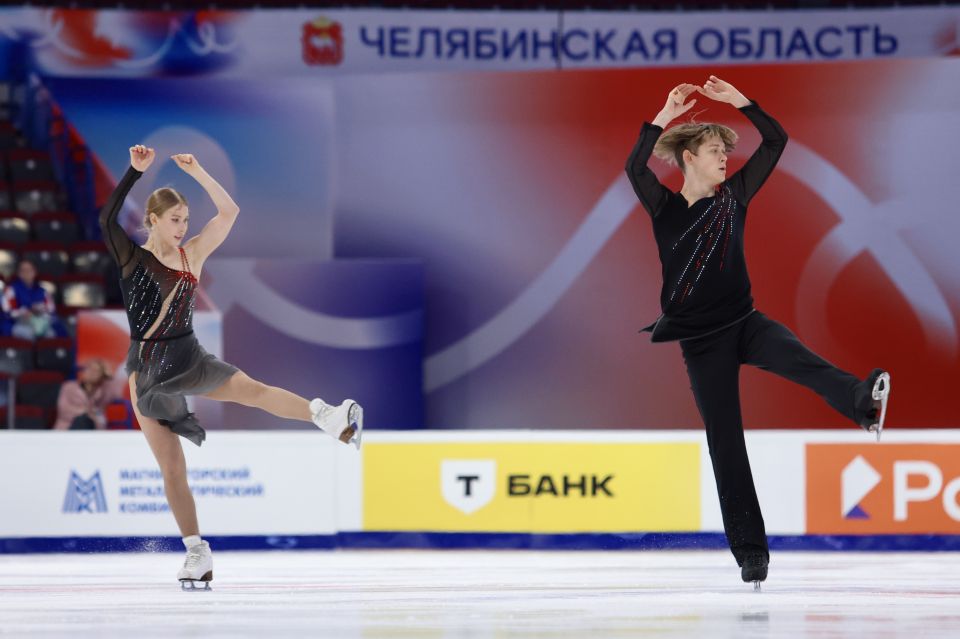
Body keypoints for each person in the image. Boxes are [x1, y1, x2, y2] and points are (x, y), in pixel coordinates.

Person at [625, 76, 890, 588]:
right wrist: (664, 112)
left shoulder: (735, 197)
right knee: (726, 444)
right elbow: (634, 165)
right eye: (713, 150)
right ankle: (751, 552)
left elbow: (775, 142)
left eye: (725, 150)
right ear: (688, 159)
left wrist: (740, 103)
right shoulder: (663, 208)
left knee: (804, 361)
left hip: (745, 323)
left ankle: (864, 404)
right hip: (701, 344)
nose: (725, 158)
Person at [100, 145, 363, 590]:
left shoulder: (193, 255)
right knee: (172, 467)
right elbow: (107, 219)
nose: (183, 228)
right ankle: (196, 552)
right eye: (174, 220)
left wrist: (198, 170)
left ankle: (328, 416)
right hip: (147, 371)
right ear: (153, 220)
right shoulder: (134, 258)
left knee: (253, 390)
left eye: (185, 219)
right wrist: (133, 172)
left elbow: (229, 211)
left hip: (188, 354)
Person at [1, 259, 68, 340]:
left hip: (40, 323)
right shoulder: (11, 290)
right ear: (19, 273)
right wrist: (23, 312)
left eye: (29, 270)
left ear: (35, 272)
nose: (27, 272)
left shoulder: (43, 292)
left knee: (51, 334)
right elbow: (6, 312)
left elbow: (51, 313)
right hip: (17, 324)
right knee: (28, 333)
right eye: (23, 270)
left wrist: (39, 312)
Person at [53, 357, 118, 430]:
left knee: (87, 422)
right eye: (89, 369)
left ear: (102, 375)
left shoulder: (102, 391)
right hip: (68, 428)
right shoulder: (69, 387)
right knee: (82, 420)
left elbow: (115, 392)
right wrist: (86, 413)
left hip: (93, 428)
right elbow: (63, 410)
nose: (92, 373)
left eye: (96, 371)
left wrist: (108, 375)